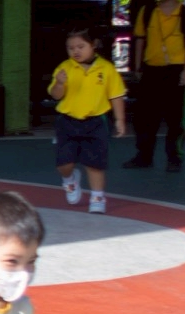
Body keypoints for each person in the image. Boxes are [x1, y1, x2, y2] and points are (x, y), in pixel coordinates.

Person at [125, 0, 185, 170]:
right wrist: (138, 66)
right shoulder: (148, 11)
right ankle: (144, 156)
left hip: (175, 71)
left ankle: (174, 157)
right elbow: (140, 39)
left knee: (176, 118)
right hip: (151, 70)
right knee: (145, 117)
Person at [48, 29, 128, 214]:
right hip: (67, 122)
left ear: (93, 45)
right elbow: (55, 95)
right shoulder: (64, 68)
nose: (75, 51)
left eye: (80, 46)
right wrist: (59, 83)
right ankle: (69, 181)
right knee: (64, 164)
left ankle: (97, 196)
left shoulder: (106, 68)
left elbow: (116, 95)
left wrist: (120, 119)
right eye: (71, 48)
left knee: (95, 164)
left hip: (95, 122)